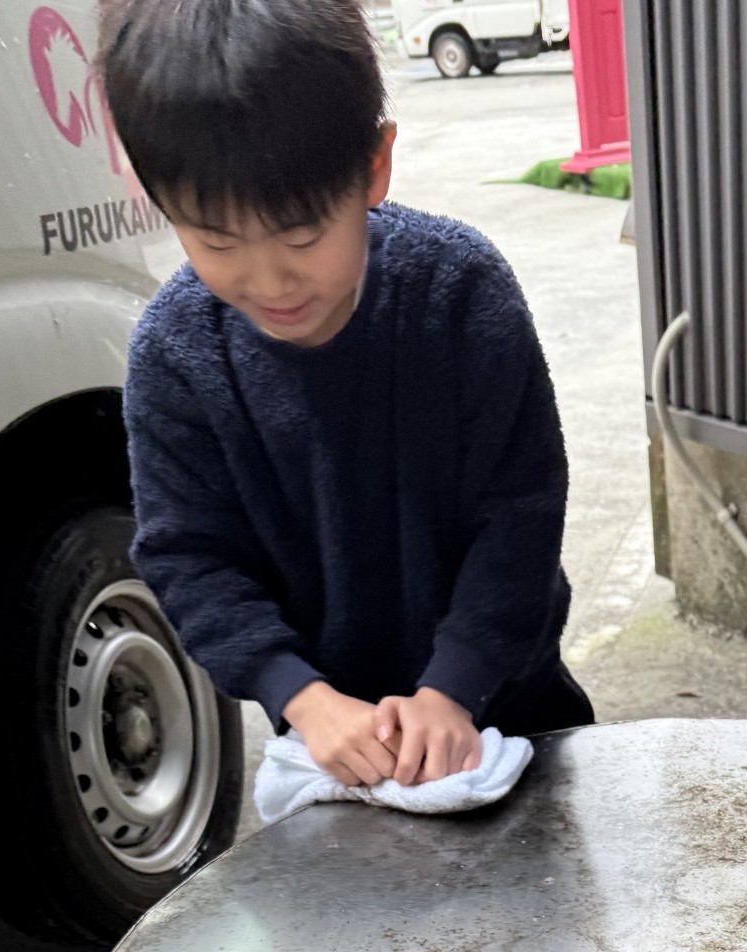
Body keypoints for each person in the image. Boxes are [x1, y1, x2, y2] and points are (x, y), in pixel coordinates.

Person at [100, 0, 591, 788]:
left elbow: (520, 512)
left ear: (373, 166)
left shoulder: (460, 293)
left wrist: (452, 688)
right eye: (216, 239)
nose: (269, 281)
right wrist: (302, 697)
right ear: (153, 195)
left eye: (301, 233)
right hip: (331, 741)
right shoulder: (176, 354)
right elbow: (190, 556)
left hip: (511, 707)